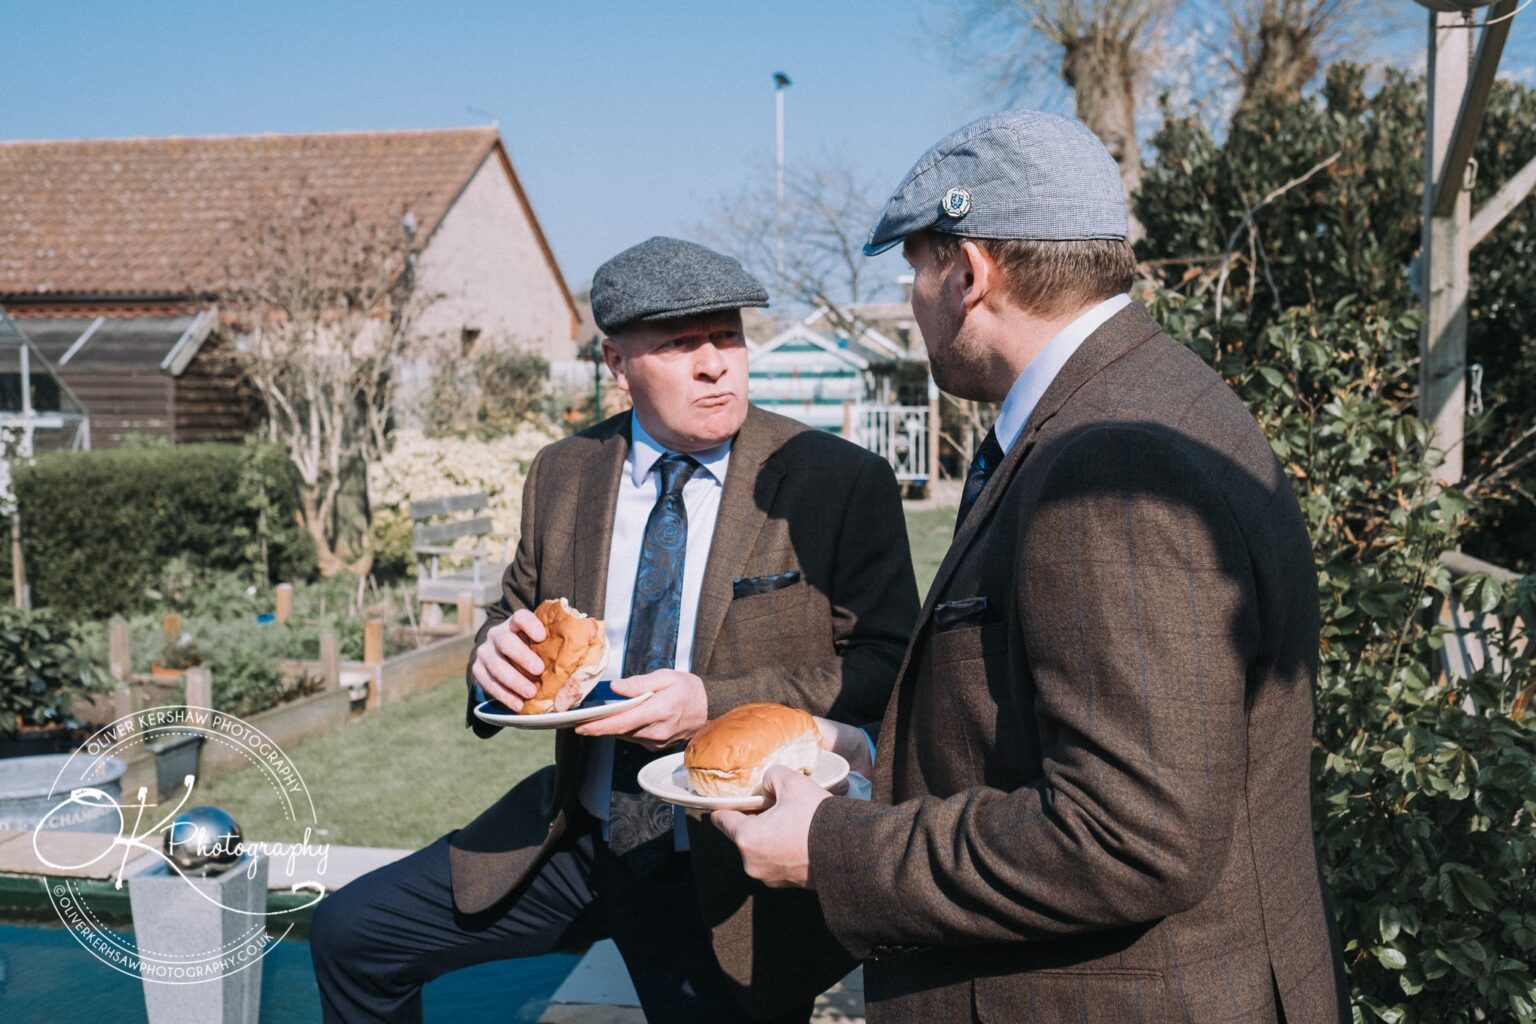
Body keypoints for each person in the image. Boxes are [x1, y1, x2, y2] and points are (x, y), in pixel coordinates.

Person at [714, 111, 1351, 1023]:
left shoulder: (1111, 458)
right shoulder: (1149, 396)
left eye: (917, 272)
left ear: (969, 274)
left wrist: (833, 847)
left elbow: (1129, 836)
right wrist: (872, 763)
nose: (913, 302)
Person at [309, 236, 918, 1023]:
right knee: (353, 934)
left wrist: (713, 702)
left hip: (725, 864)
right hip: (574, 837)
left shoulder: (836, 480)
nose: (715, 365)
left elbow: (888, 665)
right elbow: (518, 616)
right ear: (615, 363)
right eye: (678, 345)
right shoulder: (565, 472)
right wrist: (492, 657)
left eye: (727, 338)